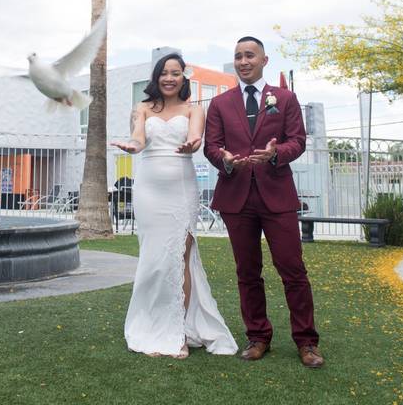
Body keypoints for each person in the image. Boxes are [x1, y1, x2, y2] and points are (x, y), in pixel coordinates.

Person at [203, 36, 324, 368]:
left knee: (293, 270)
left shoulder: (284, 99)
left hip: (277, 196)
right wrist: (224, 159)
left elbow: (297, 141)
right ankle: (258, 336)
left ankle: (307, 342)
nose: (244, 61)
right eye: (239, 56)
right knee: (247, 272)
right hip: (236, 197)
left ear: (264, 60)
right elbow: (210, 146)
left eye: (250, 55)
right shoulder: (220, 104)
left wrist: (276, 155)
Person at [112, 52, 238, 358]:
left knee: (180, 257)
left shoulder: (195, 109)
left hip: (181, 187)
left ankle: (177, 330)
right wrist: (133, 146)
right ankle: (151, 325)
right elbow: (139, 139)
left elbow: (195, 138)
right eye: (164, 73)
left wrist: (192, 144)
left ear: (184, 77)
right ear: (156, 77)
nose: (169, 78)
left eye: (175, 73)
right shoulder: (141, 108)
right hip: (149, 189)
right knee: (154, 259)